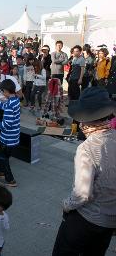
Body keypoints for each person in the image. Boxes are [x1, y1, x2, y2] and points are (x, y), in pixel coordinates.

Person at [52, 87, 116, 256]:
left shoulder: (87, 148)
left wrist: (66, 205)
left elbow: (82, 194)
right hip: (110, 222)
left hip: (87, 220)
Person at [0, 79, 20, 187]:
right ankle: (1, 172)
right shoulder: (14, 100)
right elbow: (4, 106)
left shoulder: (10, 104)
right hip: (13, 136)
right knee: (2, 156)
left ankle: (10, 180)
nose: (1, 93)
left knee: (3, 158)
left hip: (8, 138)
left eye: (2, 91)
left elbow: (7, 123)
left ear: (6, 91)